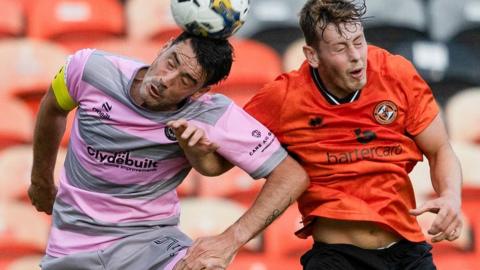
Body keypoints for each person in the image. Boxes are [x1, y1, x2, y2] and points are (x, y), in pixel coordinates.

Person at [28, 32, 309, 270]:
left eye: (186, 80)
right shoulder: (90, 69)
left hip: (150, 243)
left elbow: (291, 175)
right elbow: (53, 108)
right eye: (171, 62)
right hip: (72, 246)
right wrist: (40, 180)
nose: (166, 79)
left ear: (200, 91)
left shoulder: (210, 114)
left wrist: (230, 239)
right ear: (164, 47)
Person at [243, 0, 463, 269]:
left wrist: (451, 196)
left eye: (359, 42)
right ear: (312, 55)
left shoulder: (396, 73)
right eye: (340, 48)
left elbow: (440, 149)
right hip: (337, 258)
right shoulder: (283, 97)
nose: (356, 55)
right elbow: (220, 158)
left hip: (406, 252)